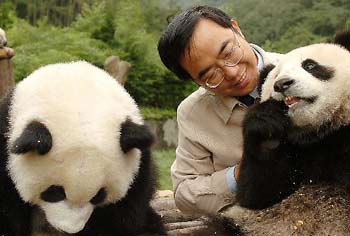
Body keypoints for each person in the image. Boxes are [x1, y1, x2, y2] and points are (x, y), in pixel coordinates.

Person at [157, 5, 283, 215]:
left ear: (236, 29)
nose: (232, 73)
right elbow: (184, 194)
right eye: (210, 76)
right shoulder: (193, 114)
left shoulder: (302, 70)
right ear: (195, 81)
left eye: (228, 52)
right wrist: (239, 175)